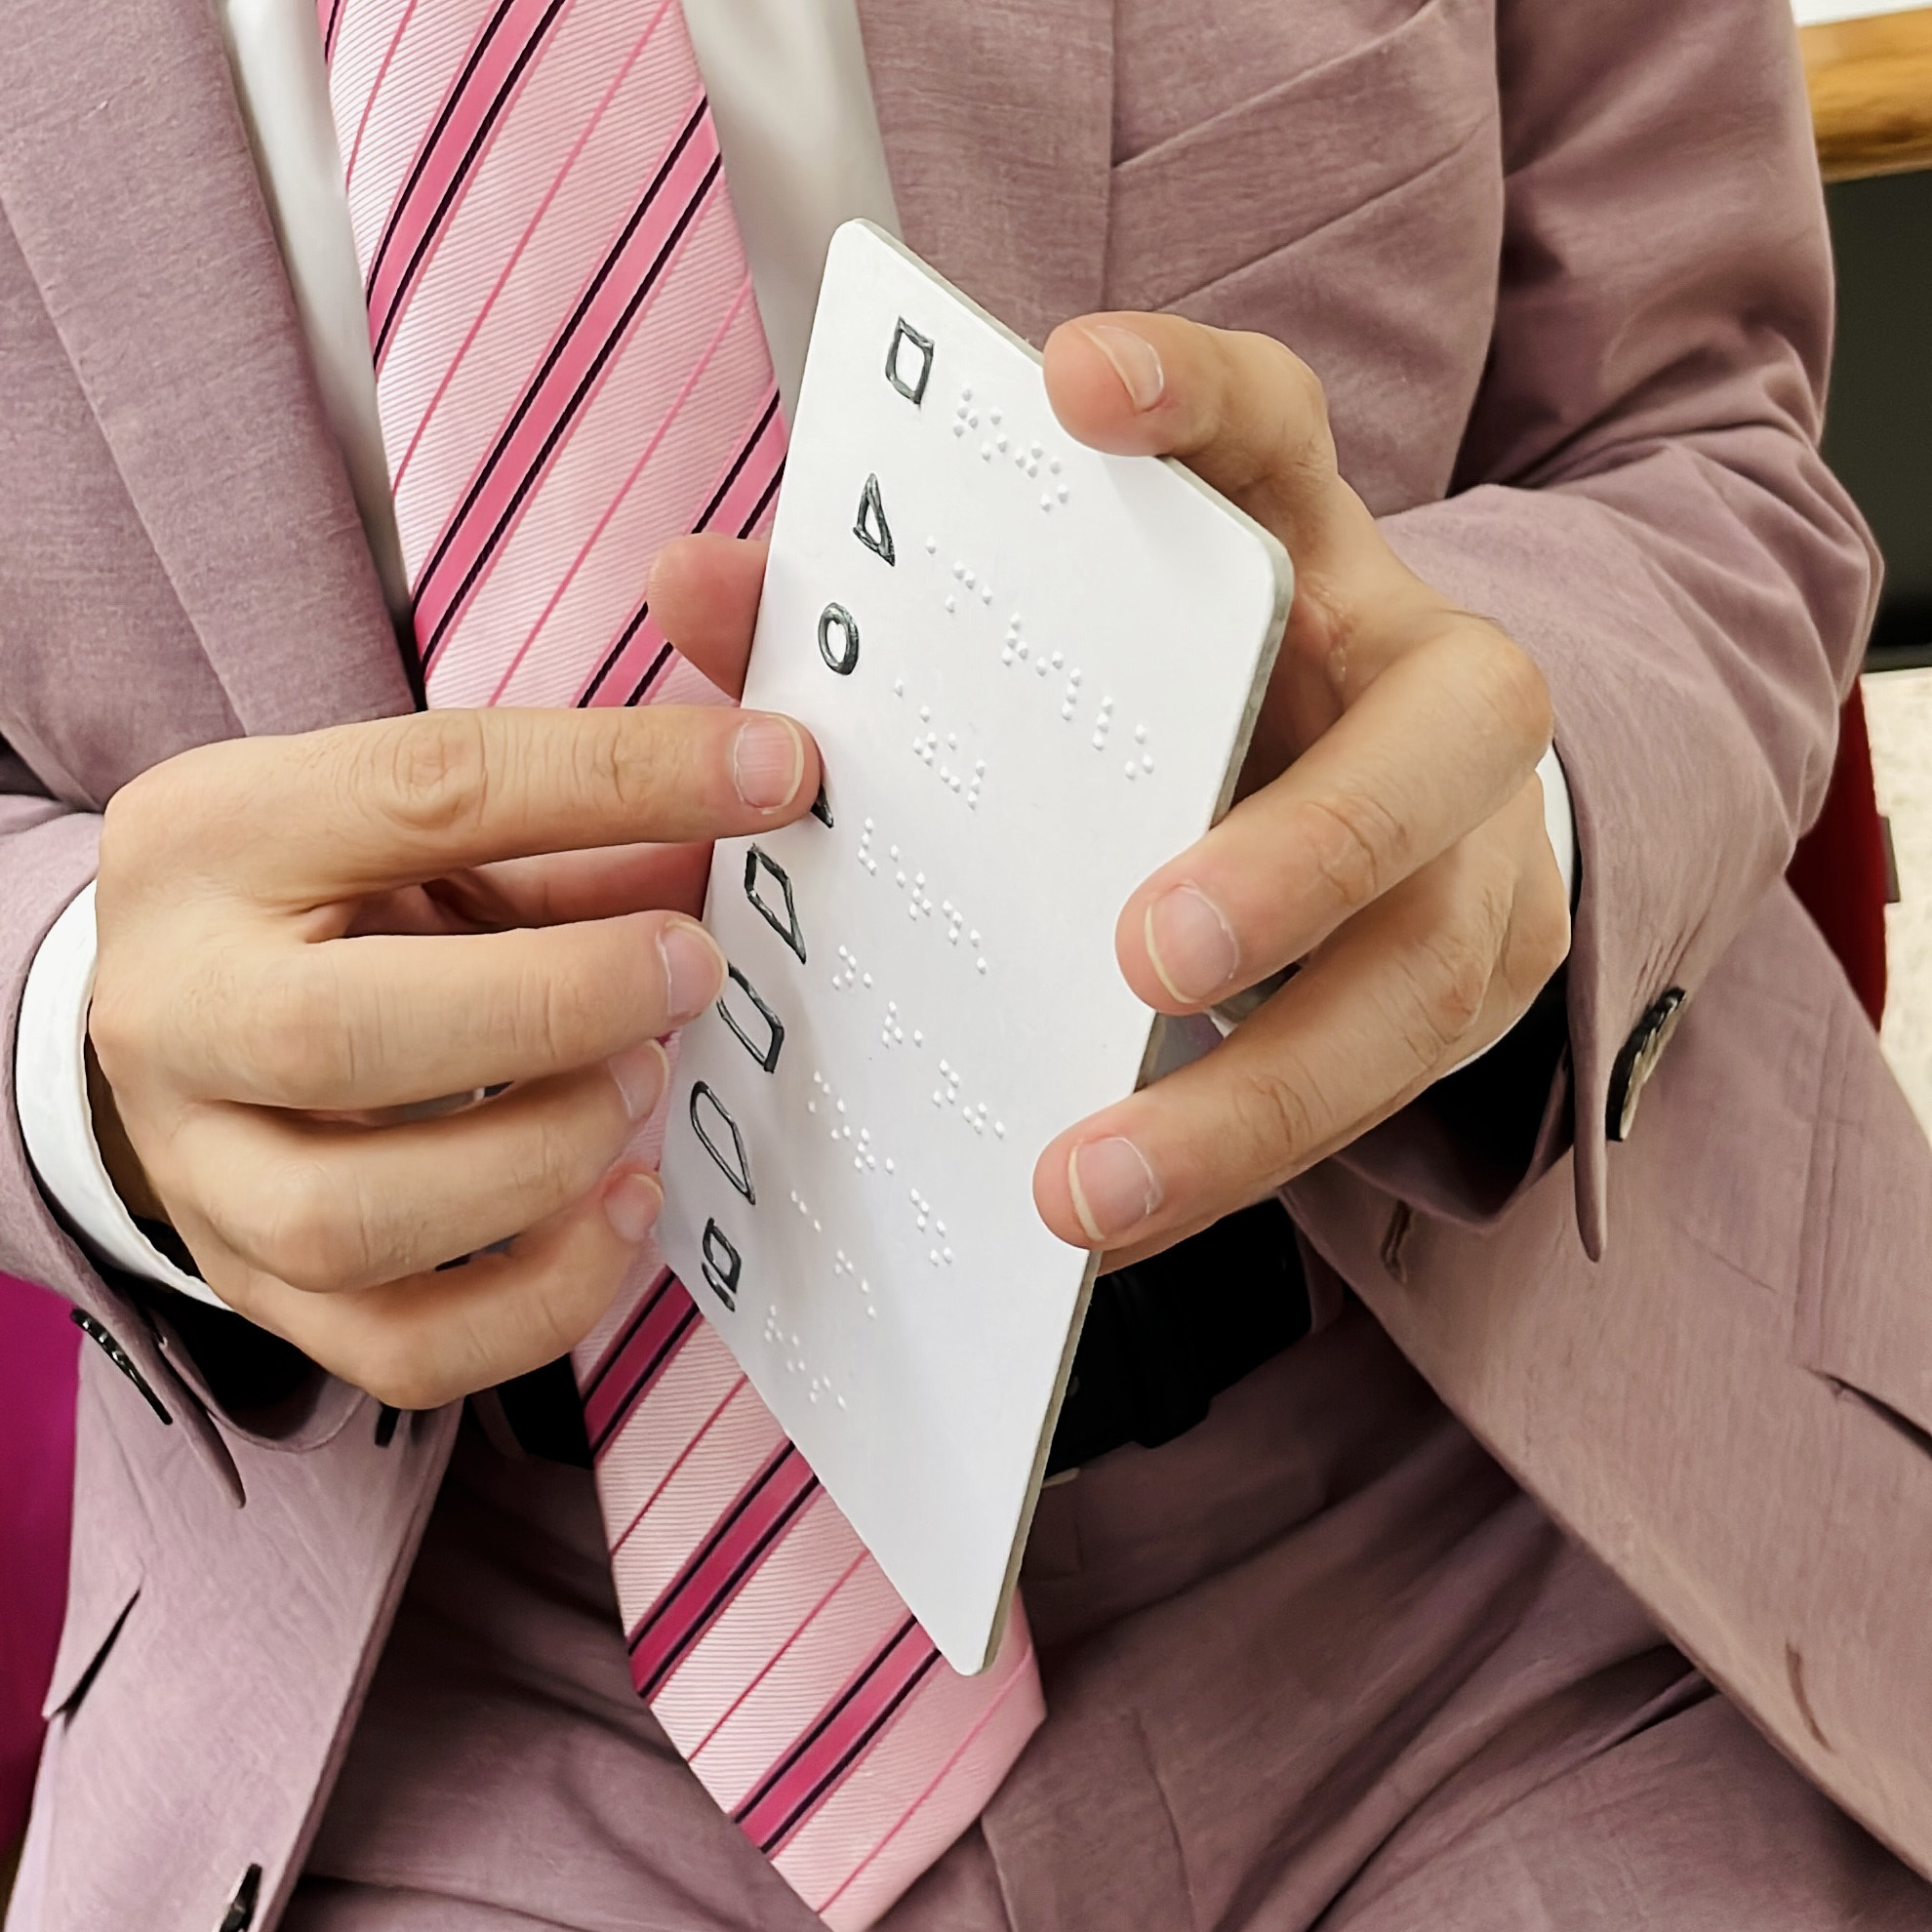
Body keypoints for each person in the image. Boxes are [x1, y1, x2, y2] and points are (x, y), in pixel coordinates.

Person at [4, 0, 1931, 1926]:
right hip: (459, 1664)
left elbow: (1704, 443)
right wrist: (76, 1051)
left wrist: (1514, 803)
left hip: (1512, 1526)